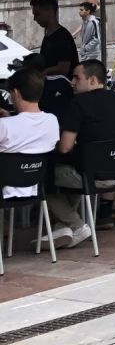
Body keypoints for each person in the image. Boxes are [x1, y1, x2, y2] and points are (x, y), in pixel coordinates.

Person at [54, 60, 115, 238]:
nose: (72, 82)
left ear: (92, 80)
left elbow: (65, 147)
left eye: (76, 78)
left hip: (91, 177)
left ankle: (76, 224)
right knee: (72, 169)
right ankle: (63, 225)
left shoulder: (78, 103)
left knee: (46, 176)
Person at [0, 67, 60, 243]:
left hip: (5, 188)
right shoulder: (52, 121)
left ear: (16, 93)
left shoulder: (6, 126)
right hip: (35, 185)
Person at [29, 0, 78, 78]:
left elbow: (64, 68)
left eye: (37, 14)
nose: (35, 19)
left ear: (49, 11)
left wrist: (44, 72)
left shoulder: (62, 37)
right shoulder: (49, 34)